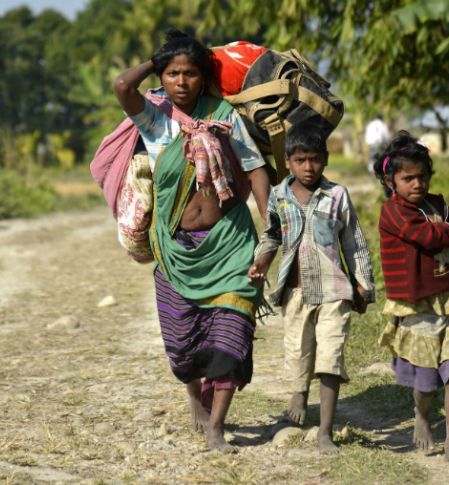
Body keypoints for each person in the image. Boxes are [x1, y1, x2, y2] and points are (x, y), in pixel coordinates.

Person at [112, 29, 271, 452]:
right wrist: (157, 56)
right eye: (172, 73)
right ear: (162, 77)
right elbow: (123, 86)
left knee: (232, 336)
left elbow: (255, 168)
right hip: (177, 249)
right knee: (183, 348)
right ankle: (192, 394)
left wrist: (271, 227)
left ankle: (217, 427)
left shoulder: (224, 114)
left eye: (191, 73)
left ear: (205, 77)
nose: (181, 82)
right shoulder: (155, 118)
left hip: (231, 241)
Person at [247, 126, 375, 454]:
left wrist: (363, 283)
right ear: (287, 162)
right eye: (300, 160)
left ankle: (326, 432)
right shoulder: (279, 195)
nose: (308, 167)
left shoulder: (337, 196)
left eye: (315, 160)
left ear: (326, 160)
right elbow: (273, 234)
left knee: (331, 357)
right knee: (299, 351)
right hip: (296, 292)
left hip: (334, 290)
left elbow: (354, 242)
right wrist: (262, 260)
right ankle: (300, 394)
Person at [372, 130, 449, 464]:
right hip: (419, 303)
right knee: (427, 379)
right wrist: (447, 233)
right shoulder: (392, 212)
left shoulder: (439, 204)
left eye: (422, 177)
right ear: (391, 182)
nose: (416, 184)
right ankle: (421, 415)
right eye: (408, 178)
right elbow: (426, 236)